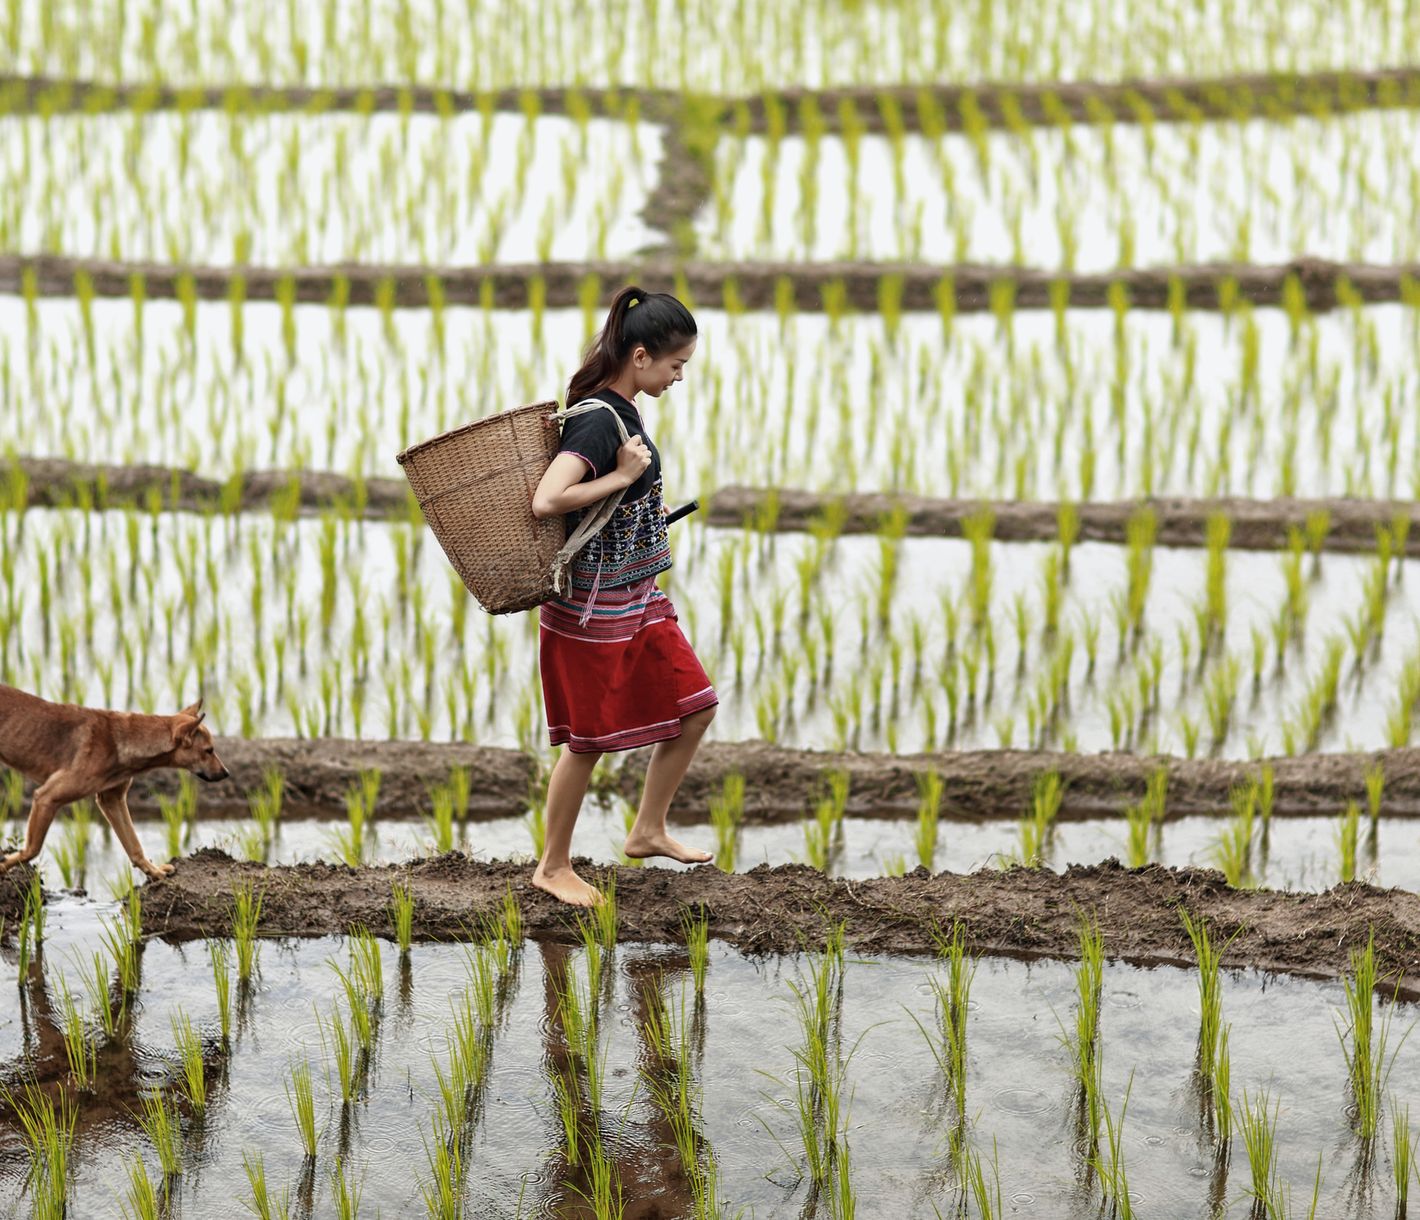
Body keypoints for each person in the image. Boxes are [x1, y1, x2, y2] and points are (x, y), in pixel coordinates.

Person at [529, 285, 718, 906]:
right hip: (591, 607)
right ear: (640, 357)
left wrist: (636, 499)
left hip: (636, 598)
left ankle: (648, 829)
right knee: (586, 742)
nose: (679, 376)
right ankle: (553, 866)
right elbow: (548, 498)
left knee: (695, 706)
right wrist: (620, 477)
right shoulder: (594, 417)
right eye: (675, 365)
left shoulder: (623, 412)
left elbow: (608, 498)